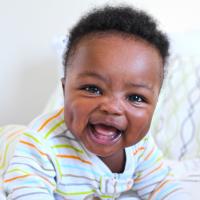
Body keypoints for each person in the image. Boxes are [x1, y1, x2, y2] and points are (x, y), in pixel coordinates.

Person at [3, 5, 191, 200]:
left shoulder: (141, 146)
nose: (112, 107)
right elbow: (26, 193)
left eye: (136, 97)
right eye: (93, 89)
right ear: (64, 89)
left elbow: (161, 185)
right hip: (10, 141)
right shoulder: (41, 144)